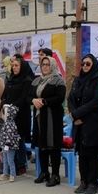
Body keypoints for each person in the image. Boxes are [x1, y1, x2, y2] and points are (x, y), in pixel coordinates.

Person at [68, 54, 98, 194]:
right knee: (82, 154)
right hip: (79, 124)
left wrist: (77, 114)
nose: (84, 66)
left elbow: (96, 102)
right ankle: (83, 181)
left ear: (93, 65)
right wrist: (74, 114)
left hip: (93, 123)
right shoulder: (77, 81)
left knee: (93, 155)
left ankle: (92, 183)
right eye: (83, 64)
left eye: (88, 64)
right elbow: (70, 99)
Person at [30, 56, 66, 187]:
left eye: (47, 64)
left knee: (53, 145)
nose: (44, 67)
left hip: (52, 117)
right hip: (39, 117)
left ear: (52, 65)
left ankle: (55, 175)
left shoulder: (58, 80)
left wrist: (44, 101)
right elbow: (29, 95)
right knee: (42, 145)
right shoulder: (37, 81)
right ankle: (44, 172)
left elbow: (60, 97)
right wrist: (33, 100)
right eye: (43, 64)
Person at [1, 58, 33, 175]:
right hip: (9, 114)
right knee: (10, 139)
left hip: (21, 114)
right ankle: (11, 164)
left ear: (22, 67)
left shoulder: (27, 80)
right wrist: (5, 105)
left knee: (19, 140)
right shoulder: (11, 79)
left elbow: (24, 98)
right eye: (13, 65)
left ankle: (21, 164)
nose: (14, 67)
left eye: (16, 66)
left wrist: (12, 106)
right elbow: (5, 95)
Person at [0, 104, 21, 182]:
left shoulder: (10, 124)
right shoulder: (6, 123)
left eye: (4, 113)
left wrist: (7, 144)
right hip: (5, 145)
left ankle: (12, 175)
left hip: (10, 146)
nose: (3, 115)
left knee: (10, 160)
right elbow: (3, 135)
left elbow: (10, 136)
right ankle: (5, 173)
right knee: (5, 160)